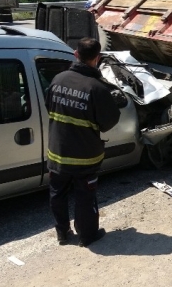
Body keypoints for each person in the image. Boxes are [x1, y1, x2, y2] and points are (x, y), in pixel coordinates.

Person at [47, 38, 121, 247]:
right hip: (84, 157)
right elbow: (108, 122)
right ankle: (87, 236)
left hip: (57, 152)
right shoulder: (96, 88)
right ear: (97, 58)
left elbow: (49, 107)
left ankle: (62, 234)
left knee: (57, 194)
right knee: (84, 196)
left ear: (75, 54)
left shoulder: (57, 79)